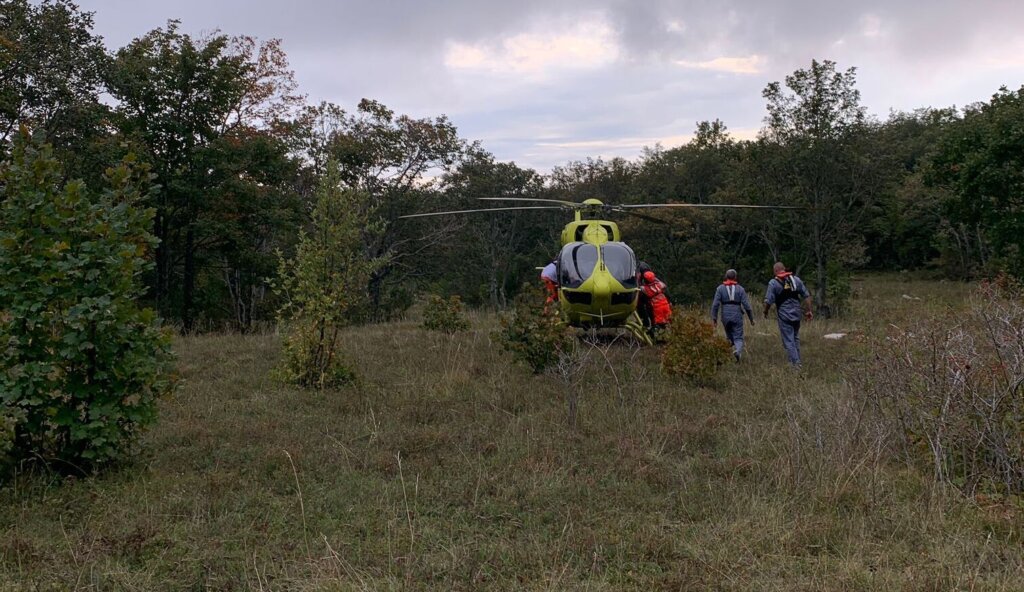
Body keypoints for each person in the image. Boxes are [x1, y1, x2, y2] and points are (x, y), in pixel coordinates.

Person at [763, 262, 813, 367]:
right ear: (784, 269)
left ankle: (796, 364)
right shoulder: (796, 280)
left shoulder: (773, 283)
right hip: (797, 314)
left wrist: (765, 311)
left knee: (789, 341)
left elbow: (768, 301)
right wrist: (809, 310)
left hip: (784, 315)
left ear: (775, 271)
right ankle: (793, 362)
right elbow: (807, 296)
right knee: (795, 338)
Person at [711, 269, 755, 362]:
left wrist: (714, 318)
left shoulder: (720, 288)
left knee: (729, 337)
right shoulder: (740, 289)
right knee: (738, 337)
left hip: (725, 315)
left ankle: (721, 355)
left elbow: (715, 305)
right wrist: (751, 319)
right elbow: (747, 306)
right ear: (735, 277)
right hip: (737, 314)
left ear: (726, 277)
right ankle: (738, 351)